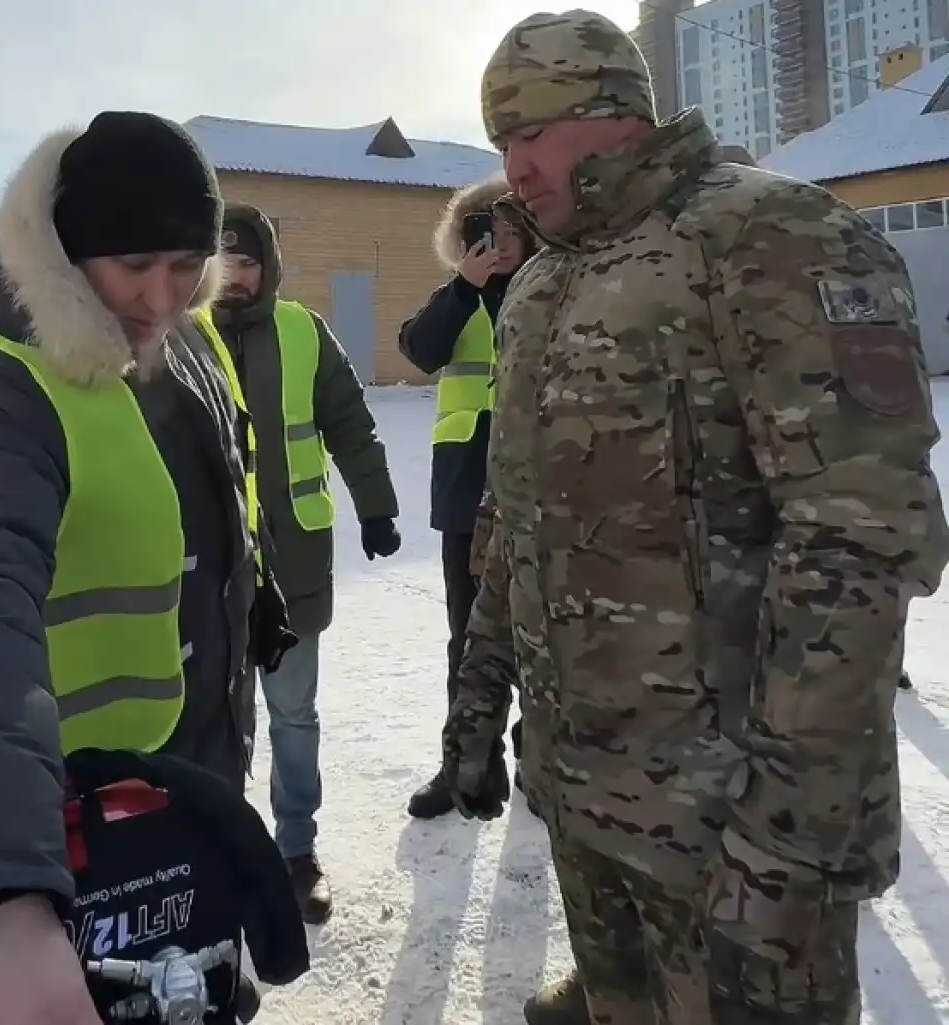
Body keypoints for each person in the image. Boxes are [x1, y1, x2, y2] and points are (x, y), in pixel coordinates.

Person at [442, 10, 949, 1025]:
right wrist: (476, 708)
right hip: (586, 797)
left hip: (731, 829)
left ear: (609, 114)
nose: (514, 167)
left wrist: (787, 833)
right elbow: (516, 520)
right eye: (500, 142)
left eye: (528, 134)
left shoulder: (767, 235)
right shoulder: (540, 285)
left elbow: (858, 536)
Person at [0, 112, 293, 1025]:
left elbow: (219, 490)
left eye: (186, 264)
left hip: (195, 775)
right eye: (135, 266)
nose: (163, 296)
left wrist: (252, 591)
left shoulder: (186, 342)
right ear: (70, 258)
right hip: (72, 821)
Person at [200, 202, 401, 924]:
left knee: (292, 715)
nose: (234, 276)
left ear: (269, 266)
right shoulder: (181, 339)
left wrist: (375, 503)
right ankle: (213, 852)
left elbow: (349, 421)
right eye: (223, 261)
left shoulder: (303, 333)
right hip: (207, 571)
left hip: (293, 562)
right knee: (211, 718)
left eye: (247, 261)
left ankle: (296, 852)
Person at [397, 176, 534, 820]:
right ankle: (465, 768)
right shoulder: (459, 297)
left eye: (509, 230)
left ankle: (541, 764)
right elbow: (418, 351)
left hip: (540, 488)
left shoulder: (556, 285)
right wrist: (465, 287)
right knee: (469, 637)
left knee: (545, 637)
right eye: (485, 233)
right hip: (465, 490)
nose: (498, 245)